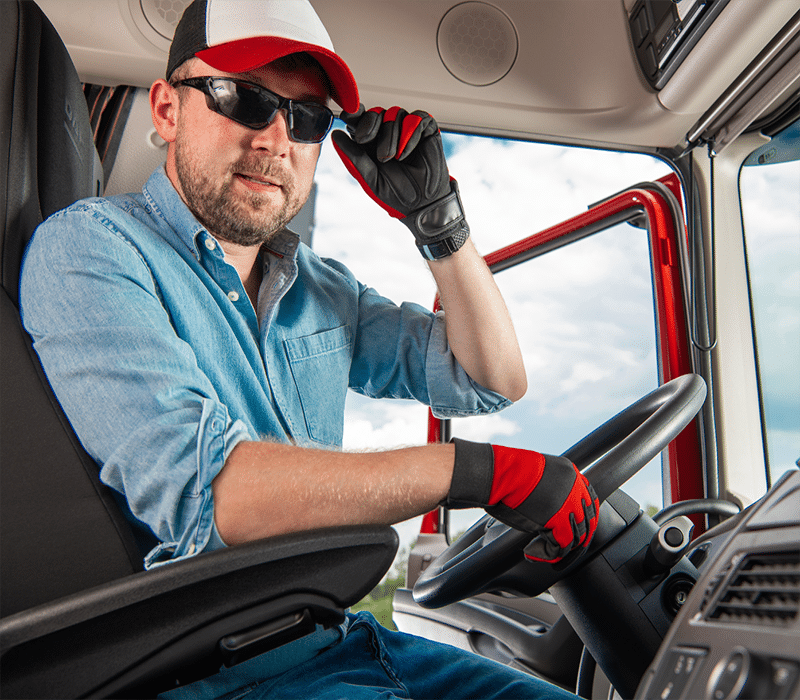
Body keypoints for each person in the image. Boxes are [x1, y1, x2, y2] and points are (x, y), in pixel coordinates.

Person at [20, 0, 599, 697]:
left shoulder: (320, 286)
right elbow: (213, 496)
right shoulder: (90, 249)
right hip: (212, 672)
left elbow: (490, 380)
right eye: (244, 98)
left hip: (341, 638)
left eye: (307, 119)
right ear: (168, 110)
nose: (275, 139)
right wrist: (480, 473)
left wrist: (438, 224)